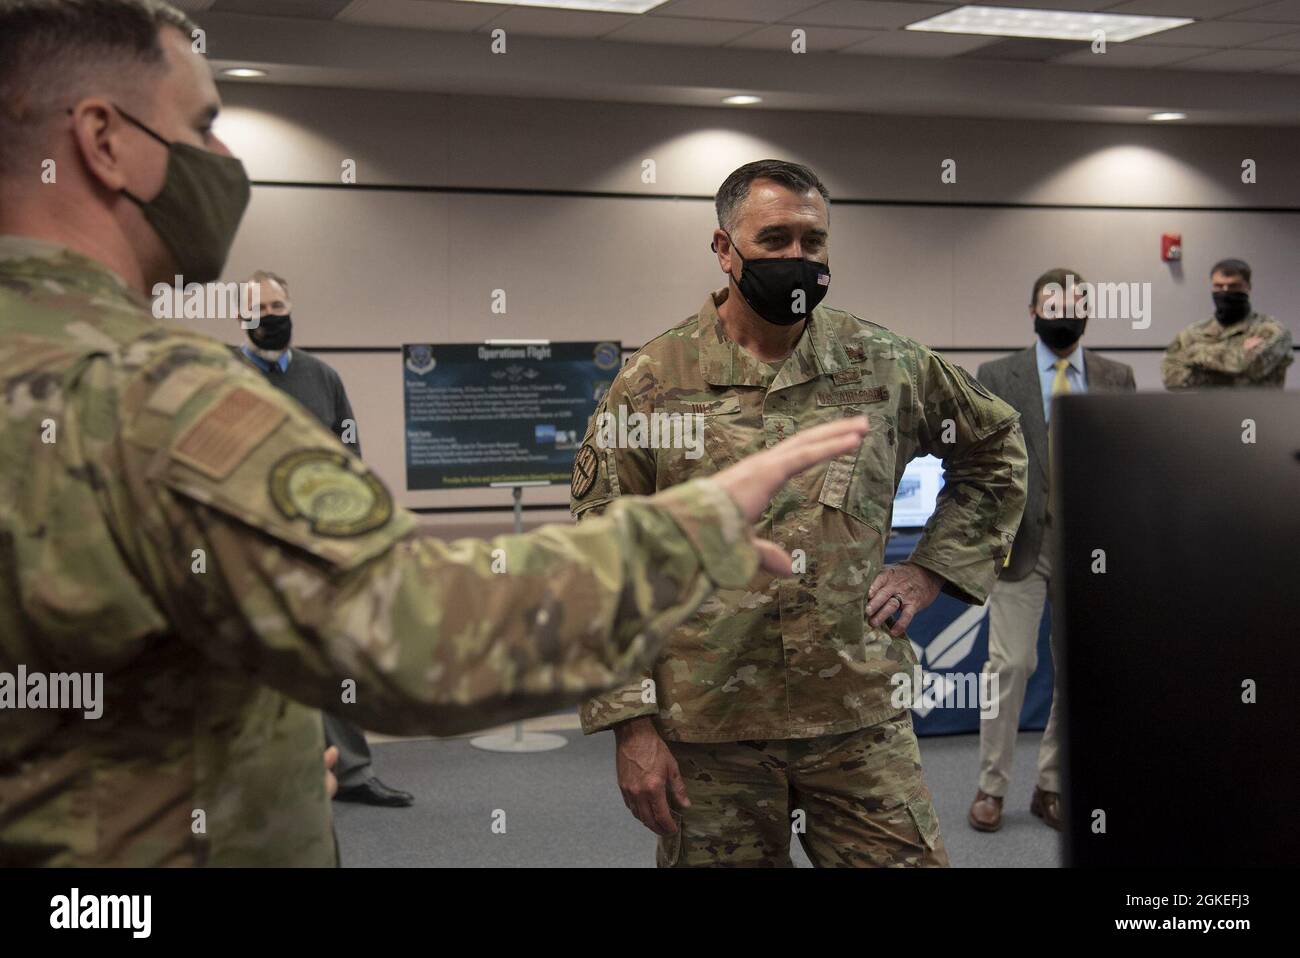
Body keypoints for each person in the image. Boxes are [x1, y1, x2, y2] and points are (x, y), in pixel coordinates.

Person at [0, 0, 870, 866]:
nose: (225, 159)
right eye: (204, 124)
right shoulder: (150, 392)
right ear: (103, 140)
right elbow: (411, 634)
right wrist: (694, 532)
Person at [571, 159, 1028, 867]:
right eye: (774, 239)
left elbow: (996, 445)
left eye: (813, 243)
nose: (797, 259)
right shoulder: (654, 383)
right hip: (712, 730)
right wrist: (630, 727)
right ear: (724, 250)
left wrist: (931, 570)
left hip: (856, 713)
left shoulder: (884, 362)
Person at [234, 269, 412, 808]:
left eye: (278, 303)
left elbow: (348, 457)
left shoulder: (323, 377)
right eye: (259, 306)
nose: (271, 313)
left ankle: (352, 773)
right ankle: (264, 785)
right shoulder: (220, 376)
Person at [968, 268, 1135, 833]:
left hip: (1092, 548)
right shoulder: (997, 375)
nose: (1064, 310)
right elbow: (981, 460)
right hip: (1021, 545)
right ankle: (991, 786)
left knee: (1080, 672)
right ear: (1032, 309)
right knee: (1010, 665)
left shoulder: (1117, 378)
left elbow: (1124, 465)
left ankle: (1053, 784)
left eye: (1074, 301)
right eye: (1052, 301)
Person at [1161, 258, 1292, 389]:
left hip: (1256, 408)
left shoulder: (1272, 330)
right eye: (1218, 286)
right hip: (1205, 409)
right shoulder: (1192, 333)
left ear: (1248, 287)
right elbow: (1171, 377)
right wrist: (1238, 355)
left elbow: (1250, 367)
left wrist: (1195, 352)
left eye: (1233, 286)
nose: (1225, 291)